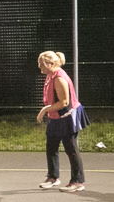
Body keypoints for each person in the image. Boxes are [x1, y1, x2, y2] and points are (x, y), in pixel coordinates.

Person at [36, 51, 89, 192]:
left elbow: (64, 102)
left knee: (70, 147)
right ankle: (53, 177)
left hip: (67, 116)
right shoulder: (50, 75)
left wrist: (44, 110)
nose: (39, 66)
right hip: (55, 117)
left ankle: (77, 181)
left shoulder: (59, 78)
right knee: (51, 147)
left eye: (41, 64)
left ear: (51, 64)